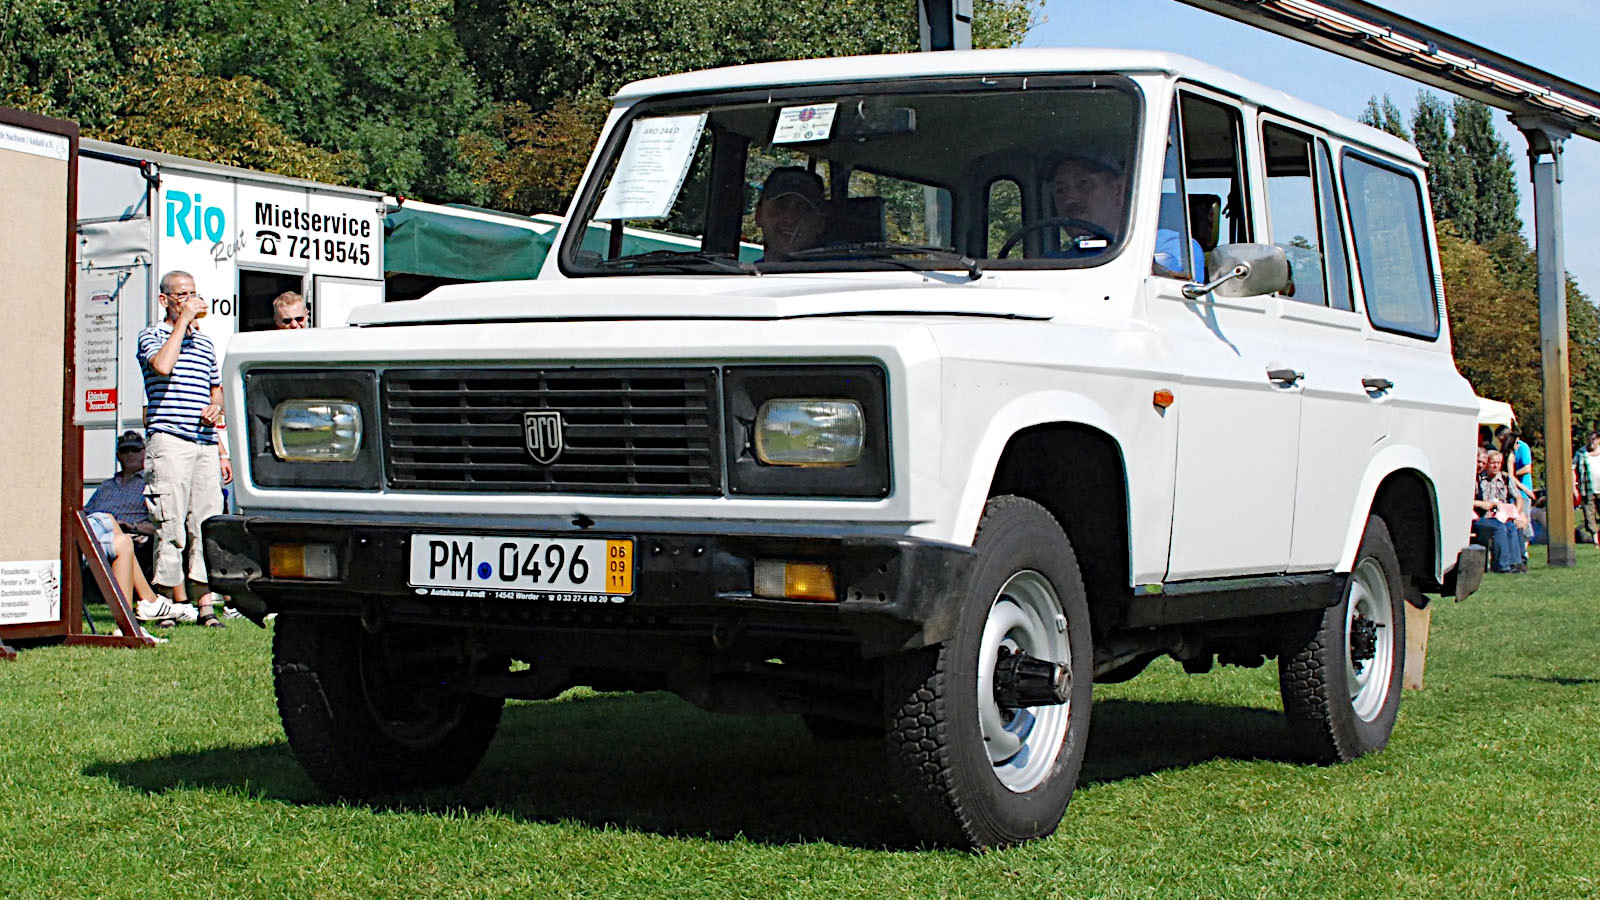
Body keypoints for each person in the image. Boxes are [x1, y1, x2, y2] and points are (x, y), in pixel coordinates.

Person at [137, 270, 232, 628]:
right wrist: (182, 323)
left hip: (204, 442)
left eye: (193, 293)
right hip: (170, 439)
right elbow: (162, 366)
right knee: (170, 522)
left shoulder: (205, 343)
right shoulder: (151, 335)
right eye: (181, 295)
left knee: (205, 524)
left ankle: (206, 606)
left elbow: (216, 389)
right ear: (165, 300)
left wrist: (216, 408)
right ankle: (166, 604)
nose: (190, 300)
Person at [1047, 155, 1205, 277]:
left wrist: (1156, 268)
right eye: (1060, 190)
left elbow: (1168, 290)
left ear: (1118, 189)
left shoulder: (1172, 246)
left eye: (1083, 183)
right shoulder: (1052, 262)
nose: (1070, 199)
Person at [754, 167, 827, 261]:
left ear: (820, 223)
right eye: (780, 207)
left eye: (802, 210)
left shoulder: (840, 267)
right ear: (759, 215)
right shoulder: (741, 269)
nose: (790, 220)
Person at [1472, 448, 1526, 573]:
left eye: (1498, 463)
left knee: (1512, 526)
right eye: (1492, 463)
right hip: (1483, 517)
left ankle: (1516, 563)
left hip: (1503, 515)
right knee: (1499, 527)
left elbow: (1518, 497)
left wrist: (1516, 514)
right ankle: (1503, 565)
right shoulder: (1478, 479)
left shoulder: (1505, 479)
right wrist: (1484, 504)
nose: (1496, 466)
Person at [1576, 430, 1600, 547]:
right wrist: (1574, 487)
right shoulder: (1581, 453)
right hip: (1587, 488)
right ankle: (1596, 540)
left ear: (1598, 440)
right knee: (1589, 514)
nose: (1591, 442)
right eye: (1589, 440)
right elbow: (1572, 468)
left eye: (1594, 440)